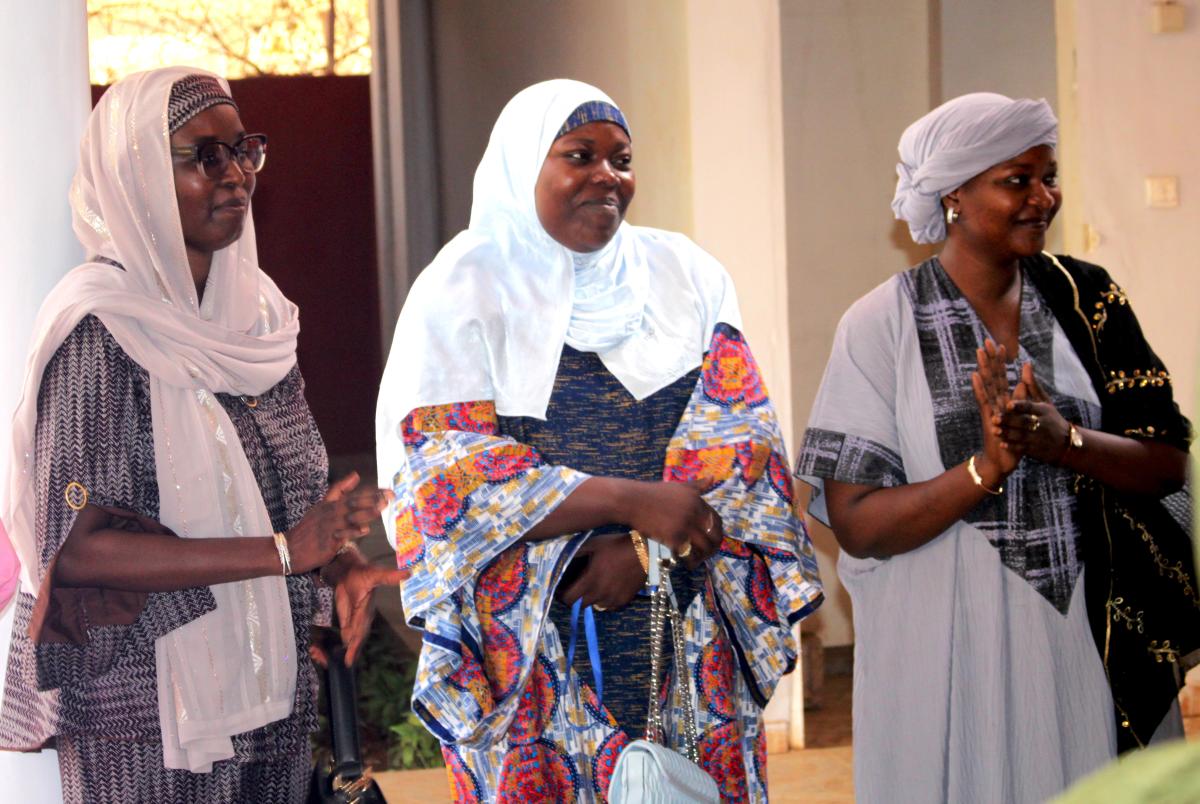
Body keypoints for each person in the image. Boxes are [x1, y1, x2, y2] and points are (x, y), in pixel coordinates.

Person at [376, 79, 823, 802]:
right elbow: (446, 484)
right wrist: (624, 508)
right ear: (526, 167)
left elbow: (741, 447)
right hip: (533, 641)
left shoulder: (687, 276)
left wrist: (647, 547)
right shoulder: (462, 288)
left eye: (622, 159)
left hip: (684, 623)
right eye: (579, 155)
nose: (607, 177)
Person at [0, 67, 403, 802]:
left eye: (243, 149)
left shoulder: (258, 324)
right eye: (204, 155)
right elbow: (79, 547)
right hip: (141, 714)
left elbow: (278, 496)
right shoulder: (101, 330)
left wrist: (334, 563)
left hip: (270, 696)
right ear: (138, 174)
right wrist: (286, 553)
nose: (236, 174)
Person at [796, 92, 1198, 803]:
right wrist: (986, 467)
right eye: (1018, 179)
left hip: (1091, 635)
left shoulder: (1088, 300)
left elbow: (1166, 461)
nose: (1044, 197)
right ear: (954, 191)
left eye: (1049, 175)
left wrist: (1063, 439)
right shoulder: (879, 325)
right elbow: (856, 522)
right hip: (944, 652)